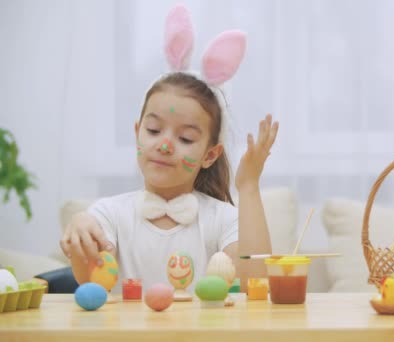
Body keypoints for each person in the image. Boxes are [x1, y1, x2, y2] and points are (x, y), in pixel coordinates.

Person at [59, 5, 277, 292]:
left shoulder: (221, 219)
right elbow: (89, 281)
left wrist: (248, 186)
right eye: (153, 130)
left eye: (185, 138)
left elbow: (256, 283)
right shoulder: (110, 215)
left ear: (210, 155)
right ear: (138, 134)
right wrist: (80, 229)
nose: (164, 145)